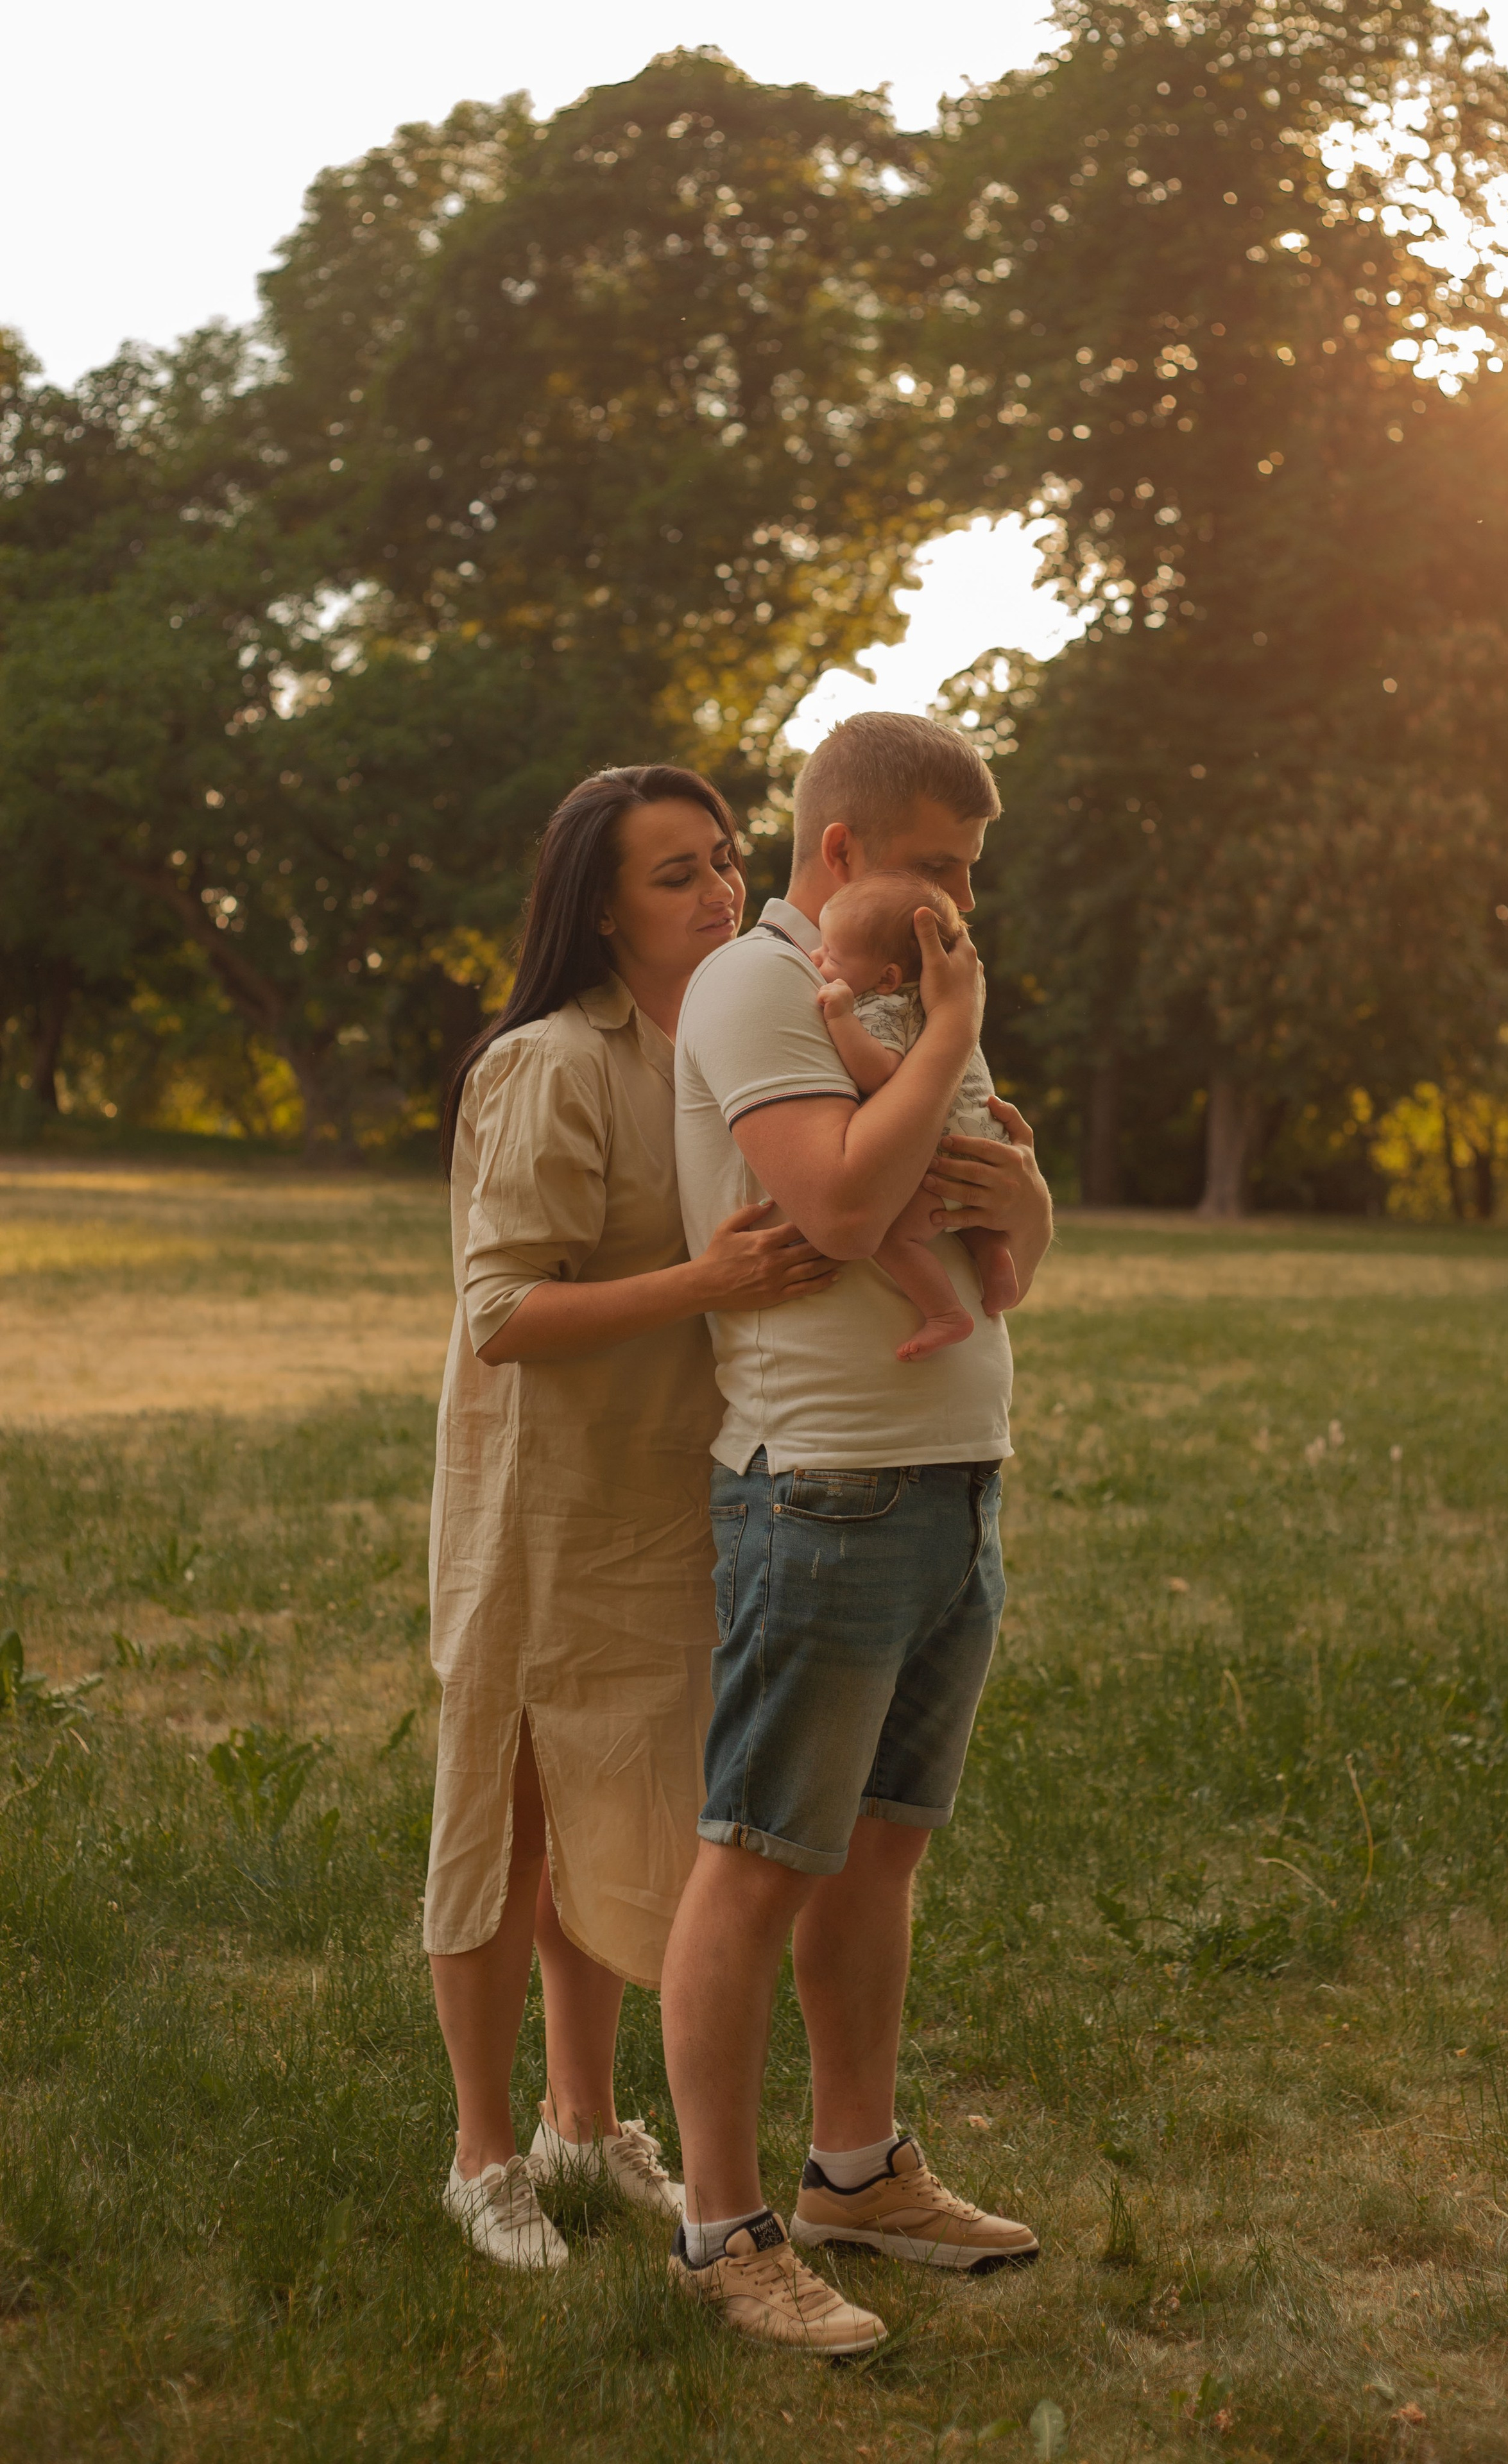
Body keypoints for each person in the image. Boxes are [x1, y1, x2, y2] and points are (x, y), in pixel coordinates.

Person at [664, 710, 1055, 2355]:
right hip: (819, 1479)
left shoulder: (907, 993)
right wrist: (952, 1026)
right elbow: (836, 1201)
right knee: (758, 1858)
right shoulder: (762, 984)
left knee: (879, 1847)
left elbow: (1002, 1217)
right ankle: (719, 2220)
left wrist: (1023, 1197)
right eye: (940, 870)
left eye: (973, 878)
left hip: (952, 1464)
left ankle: (853, 2169)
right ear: (841, 852)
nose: (963, 905)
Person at [427, 765, 836, 2272]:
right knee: (507, 1821)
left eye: (724, 858)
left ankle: (582, 2122)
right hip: (539, 1502)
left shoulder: (722, 1043)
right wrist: (707, 1285)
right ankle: (481, 2156)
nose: (721, 888)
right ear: (600, 905)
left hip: (671, 1497)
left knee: (624, 1808)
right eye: (677, 872)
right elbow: (501, 1312)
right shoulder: (548, 1064)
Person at [812, 870, 1018, 1360]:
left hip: (942, 1150)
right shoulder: (938, 1002)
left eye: (831, 956)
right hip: (985, 1135)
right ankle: (993, 1253)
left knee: (891, 1234)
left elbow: (882, 1073)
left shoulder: (881, 1006)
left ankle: (946, 1314)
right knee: (973, 1215)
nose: (817, 959)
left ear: (887, 976)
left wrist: (840, 1017)